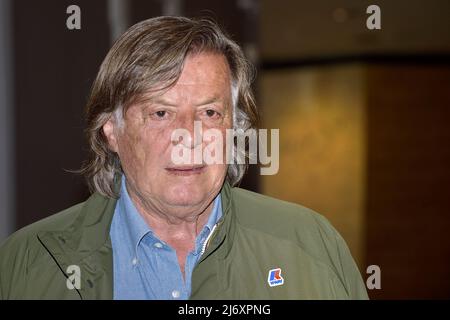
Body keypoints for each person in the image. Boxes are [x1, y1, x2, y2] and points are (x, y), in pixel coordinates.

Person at [0, 16, 368, 300]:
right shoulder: (30, 261)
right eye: (161, 113)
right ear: (111, 131)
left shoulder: (310, 244)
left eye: (210, 113)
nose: (189, 137)